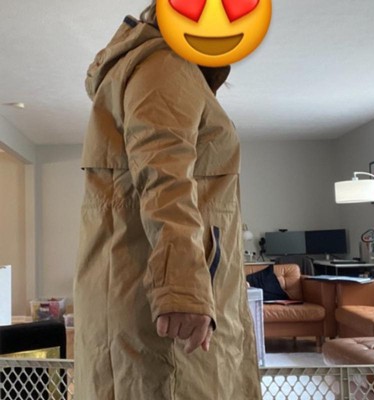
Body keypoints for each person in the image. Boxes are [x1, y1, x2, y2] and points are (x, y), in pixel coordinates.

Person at [74, 2, 262, 399]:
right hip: (167, 325)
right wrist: (182, 290)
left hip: (159, 304)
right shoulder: (166, 65)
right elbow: (163, 176)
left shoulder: (169, 68)